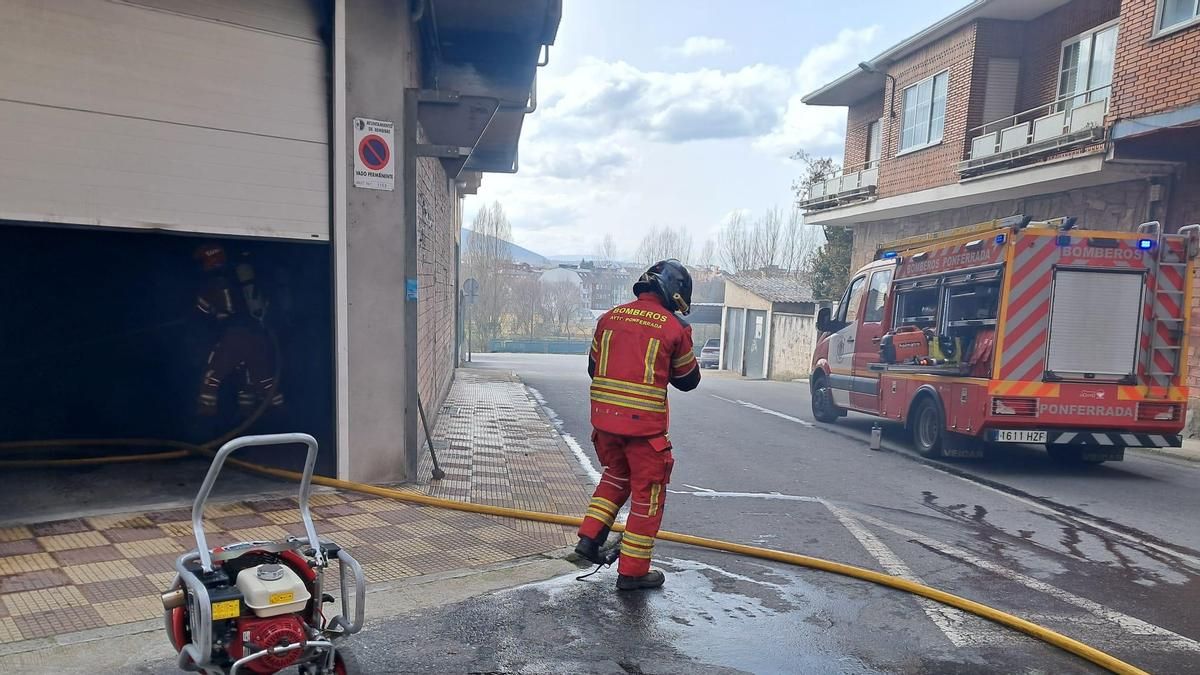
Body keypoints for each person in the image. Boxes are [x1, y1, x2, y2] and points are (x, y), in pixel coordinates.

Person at [574, 259, 701, 590]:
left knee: (616, 477)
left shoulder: (608, 319)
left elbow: (593, 368)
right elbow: (689, 380)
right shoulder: (673, 328)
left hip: (605, 427)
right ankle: (632, 572)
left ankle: (589, 539)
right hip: (644, 434)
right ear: (675, 294)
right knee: (648, 495)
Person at [193, 243, 283, 418]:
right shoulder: (245, 280)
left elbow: (200, 313)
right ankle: (275, 421)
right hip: (258, 336)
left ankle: (204, 421)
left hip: (233, 337)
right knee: (256, 381)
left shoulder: (212, 284)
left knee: (211, 379)